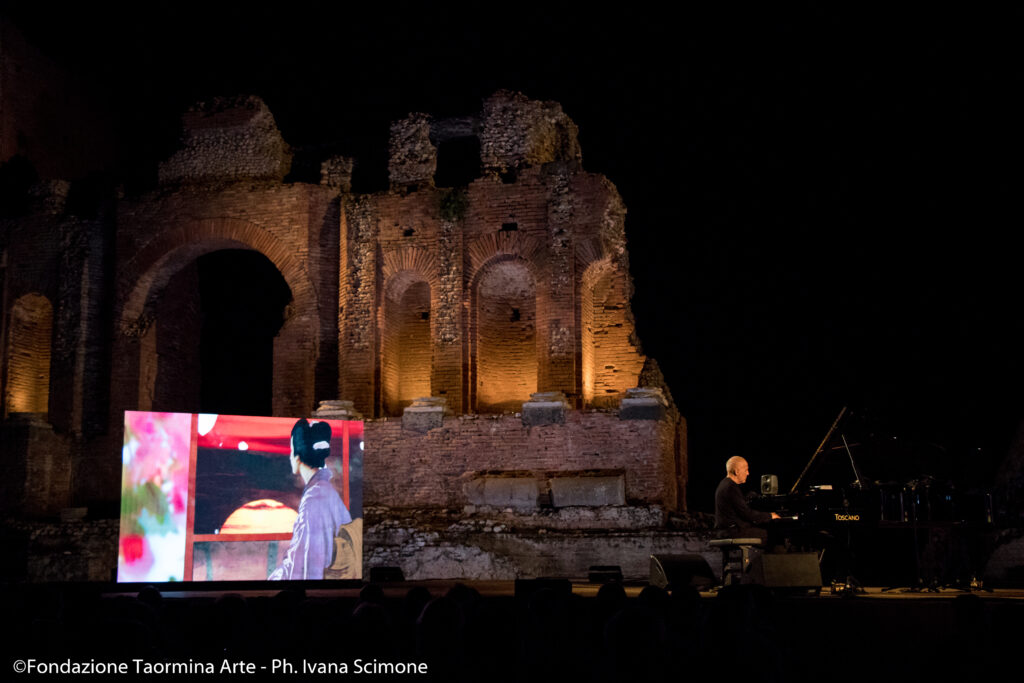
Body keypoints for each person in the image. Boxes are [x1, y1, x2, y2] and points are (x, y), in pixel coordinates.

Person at [269, 419, 351, 580]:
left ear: (297, 455)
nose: (290, 457)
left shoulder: (314, 499)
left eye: (292, 450)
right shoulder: (325, 492)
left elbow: (303, 565)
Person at [714, 456, 779, 544]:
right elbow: (747, 513)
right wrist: (770, 515)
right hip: (732, 532)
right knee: (772, 534)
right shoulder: (731, 487)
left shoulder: (723, 484)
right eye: (746, 470)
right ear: (737, 471)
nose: (748, 473)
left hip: (724, 530)